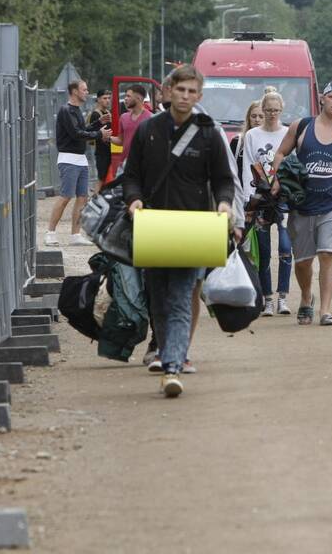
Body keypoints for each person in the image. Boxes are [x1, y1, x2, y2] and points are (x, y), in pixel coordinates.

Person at [123, 65, 238, 397]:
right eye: (181, 90)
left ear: (199, 96)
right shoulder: (149, 131)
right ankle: (167, 354)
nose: (185, 96)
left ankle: (172, 367)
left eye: (192, 91)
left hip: (193, 228)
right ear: (169, 91)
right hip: (153, 227)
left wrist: (224, 204)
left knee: (181, 296)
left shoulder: (207, 133)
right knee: (156, 299)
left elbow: (223, 179)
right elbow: (132, 175)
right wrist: (134, 200)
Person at [271, 82, 332, 326]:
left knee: (328, 255)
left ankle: (325, 311)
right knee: (303, 261)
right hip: (302, 206)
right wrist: (277, 176)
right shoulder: (302, 126)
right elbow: (281, 153)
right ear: (322, 99)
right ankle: (306, 298)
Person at [240, 87, 291, 317]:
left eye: (276, 110)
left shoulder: (288, 133)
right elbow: (247, 168)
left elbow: (292, 166)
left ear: (282, 110)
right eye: (268, 109)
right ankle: (267, 297)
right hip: (260, 199)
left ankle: (283, 296)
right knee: (262, 249)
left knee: (285, 247)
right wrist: (248, 200)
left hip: (283, 199)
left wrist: (282, 185)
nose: (272, 114)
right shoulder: (252, 136)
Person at [46, 80, 111, 246]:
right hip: (68, 159)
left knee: (82, 197)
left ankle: (75, 234)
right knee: (66, 196)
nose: (86, 92)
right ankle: (50, 232)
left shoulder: (76, 111)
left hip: (80, 160)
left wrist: (98, 123)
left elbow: (83, 130)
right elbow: (76, 133)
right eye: (84, 89)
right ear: (74, 91)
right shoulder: (66, 110)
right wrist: (99, 134)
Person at [110, 84, 153, 174]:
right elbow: (121, 140)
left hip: (144, 166)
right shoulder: (123, 117)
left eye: (128, 96)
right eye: (125, 96)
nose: (125, 99)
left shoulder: (151, 119)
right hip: (124, 166)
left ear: (139, 98)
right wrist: (107, 137)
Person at [230, 100, 264, 186]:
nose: (257, 120)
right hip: (241, 192)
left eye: (261, 116)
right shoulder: (237, 141)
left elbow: (273, 170)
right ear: (248, 118)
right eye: (253, 116)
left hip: (264, 193)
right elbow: (229, 169)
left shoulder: (271, 143)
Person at [88, 89, 112, 192]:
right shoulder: (96, 114)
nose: (107, 100)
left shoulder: (108, 112)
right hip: (102, 152)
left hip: (110, 150)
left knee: (107, 179)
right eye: (104, 98)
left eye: (109, 98)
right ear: (98, 99)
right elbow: (94, 134)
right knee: (101, 178)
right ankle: (93, 201)